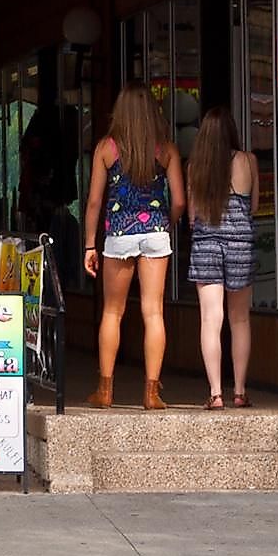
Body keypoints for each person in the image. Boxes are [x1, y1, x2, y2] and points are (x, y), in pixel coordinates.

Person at [83, 83, 185, 409]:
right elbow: (180, 201)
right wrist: (164, 221)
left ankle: (105, 390)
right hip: (156, 233)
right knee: (153, 312)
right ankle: (151, 393)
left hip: (119, 235)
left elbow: (95, 201)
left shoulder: (106, 149)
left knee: (113, 311)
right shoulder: (166, 150)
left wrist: (89, 245)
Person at [185, 103, 257, 408]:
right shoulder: (247, 160)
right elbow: (252, 209)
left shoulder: (195, 167)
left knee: (210, 320)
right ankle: (239, 391)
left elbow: (191, 217)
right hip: (240, 244)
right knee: (239, 319)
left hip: (206, 245)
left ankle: (215, 393)